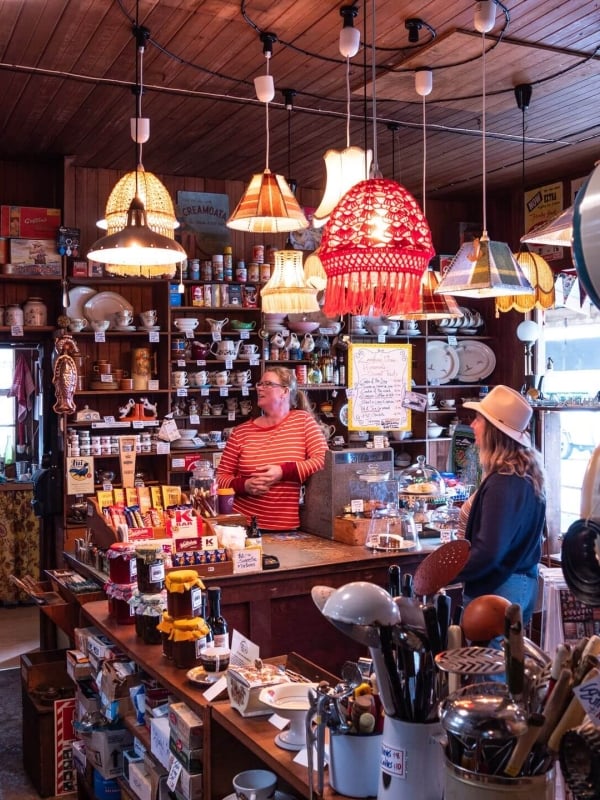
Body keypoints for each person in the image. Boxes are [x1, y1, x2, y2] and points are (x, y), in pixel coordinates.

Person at [455, 384, 546, 625]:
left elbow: (489, 552)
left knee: (487, 662)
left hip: (499, 587)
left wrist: (449, 572)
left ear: (494, 430)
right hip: (522, 581)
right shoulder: (524, 473)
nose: (473, 426)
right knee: (511, 660)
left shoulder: (503, 481)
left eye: (478, 420)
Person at [216, 366, 328, 531]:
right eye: (259, 384)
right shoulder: (240, 433)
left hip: (285, 529)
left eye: (268, 384)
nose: (260, 388)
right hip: (241, 528)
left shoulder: (302, 421)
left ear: (285, 391)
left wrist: (282, 471)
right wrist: (244, 485)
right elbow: (219, 479)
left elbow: (323, 460)